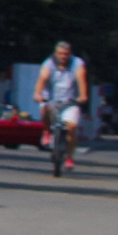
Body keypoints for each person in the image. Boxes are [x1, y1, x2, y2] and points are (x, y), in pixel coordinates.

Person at [34, 40, 89, 170]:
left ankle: (69, 158)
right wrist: (37, 94)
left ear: (70, 54)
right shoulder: (49, 64)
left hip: (70, 101)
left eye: (66, 54)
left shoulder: (77, 63)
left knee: (72, 127)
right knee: (45, 110)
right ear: (55, 53)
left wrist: (83, 95)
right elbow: (42, 79)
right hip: (52, 100)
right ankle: (47, 131)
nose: (63, 56)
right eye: (60, 53)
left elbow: (81, 79)